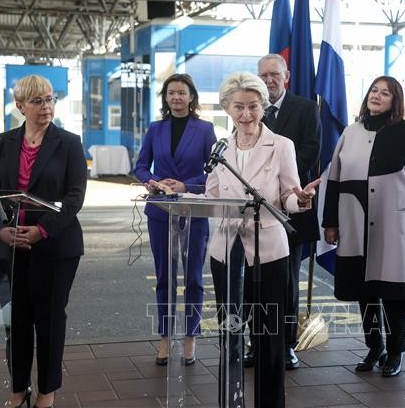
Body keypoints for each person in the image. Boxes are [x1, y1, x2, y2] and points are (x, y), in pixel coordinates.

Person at [205, 71, 320, 408]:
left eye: (253, 106)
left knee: (269, 334)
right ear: (227, 108)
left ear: (263, 107)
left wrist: (298, 201)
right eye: (238, 106)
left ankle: (271, 402)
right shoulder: (221, 146)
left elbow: (287, 194)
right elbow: (211, 195)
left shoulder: (281, 145)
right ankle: (232, 398)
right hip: (226, 249)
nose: (246, 114)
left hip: (268, 248)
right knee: (231, 329)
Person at [0, 75, 87, 408]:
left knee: (50, 321)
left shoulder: (69, 142)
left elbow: (74, 197)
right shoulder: (0, 144)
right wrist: (0, 230)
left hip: (54, 247)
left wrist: (42, 230)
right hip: (8, 248)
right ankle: (18, 389)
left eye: (50, 99)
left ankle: (47, 391)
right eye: (37, 101)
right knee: (15, 322)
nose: (46, 107)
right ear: (20, 106)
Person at [322, 76, 405, 377]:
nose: (377, 96)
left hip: (396, 221)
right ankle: (375, 347)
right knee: (365, 290)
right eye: (374, 90)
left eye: (385, 93)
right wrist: (329, 222)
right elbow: (334, 179)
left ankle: (395, 352)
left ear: (394, 101)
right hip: (355, 221)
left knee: (394, 291)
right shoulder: (350, 132)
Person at [134, 73, 217, 366]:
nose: (176, 98)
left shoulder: (205, 129)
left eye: (182, 92)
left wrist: (187, 185)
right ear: (165, 98)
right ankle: (165, 338)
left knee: (193, 276)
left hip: (194, 210)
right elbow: (140, 166)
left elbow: (214, 171)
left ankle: (191, 338)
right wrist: (155, 181)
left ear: (191, 97)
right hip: (160, 210)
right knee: (164, 278)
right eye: (171, 93)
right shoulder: (156, 129)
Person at [254, 53, 322, 370]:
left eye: (274, 74)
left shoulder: (307, 109)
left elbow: (311, 149)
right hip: (255, 210)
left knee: (286, 280)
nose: (269, 80)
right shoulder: (250, 109)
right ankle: (257, 345)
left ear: (287, 76)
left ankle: (285, 345)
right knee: (254, 280)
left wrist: (280, 179)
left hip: (294, 205)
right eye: (263, 74)